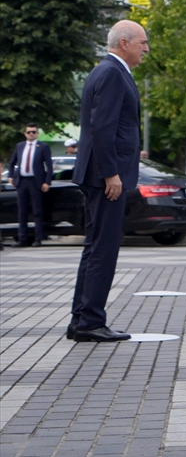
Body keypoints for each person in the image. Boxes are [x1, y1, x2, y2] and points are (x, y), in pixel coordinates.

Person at [70, 20, 148, 343]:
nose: (146, 48)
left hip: (97, 173)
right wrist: (111, 173)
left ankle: (81, 319)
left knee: (94, 247)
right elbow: (102, 128)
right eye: (143, 42)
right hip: (104, 177)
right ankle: (90, 321)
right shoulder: (113, 73)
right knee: (103, 248)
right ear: (124, 43)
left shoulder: (104, 71)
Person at [8, 124, 54, 247]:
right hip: (22, 181)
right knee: (22, 212)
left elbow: (49, 166)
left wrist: (47, 182)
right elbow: (12, 163)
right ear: (25, 134)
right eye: (29, 132)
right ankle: (22, 239)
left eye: (33, 132)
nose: (31, 134)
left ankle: (38, 238)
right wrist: (11, 176)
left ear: (37, 133)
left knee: (37, 211)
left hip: (36, 182)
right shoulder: (20, 146)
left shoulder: (43, 147)